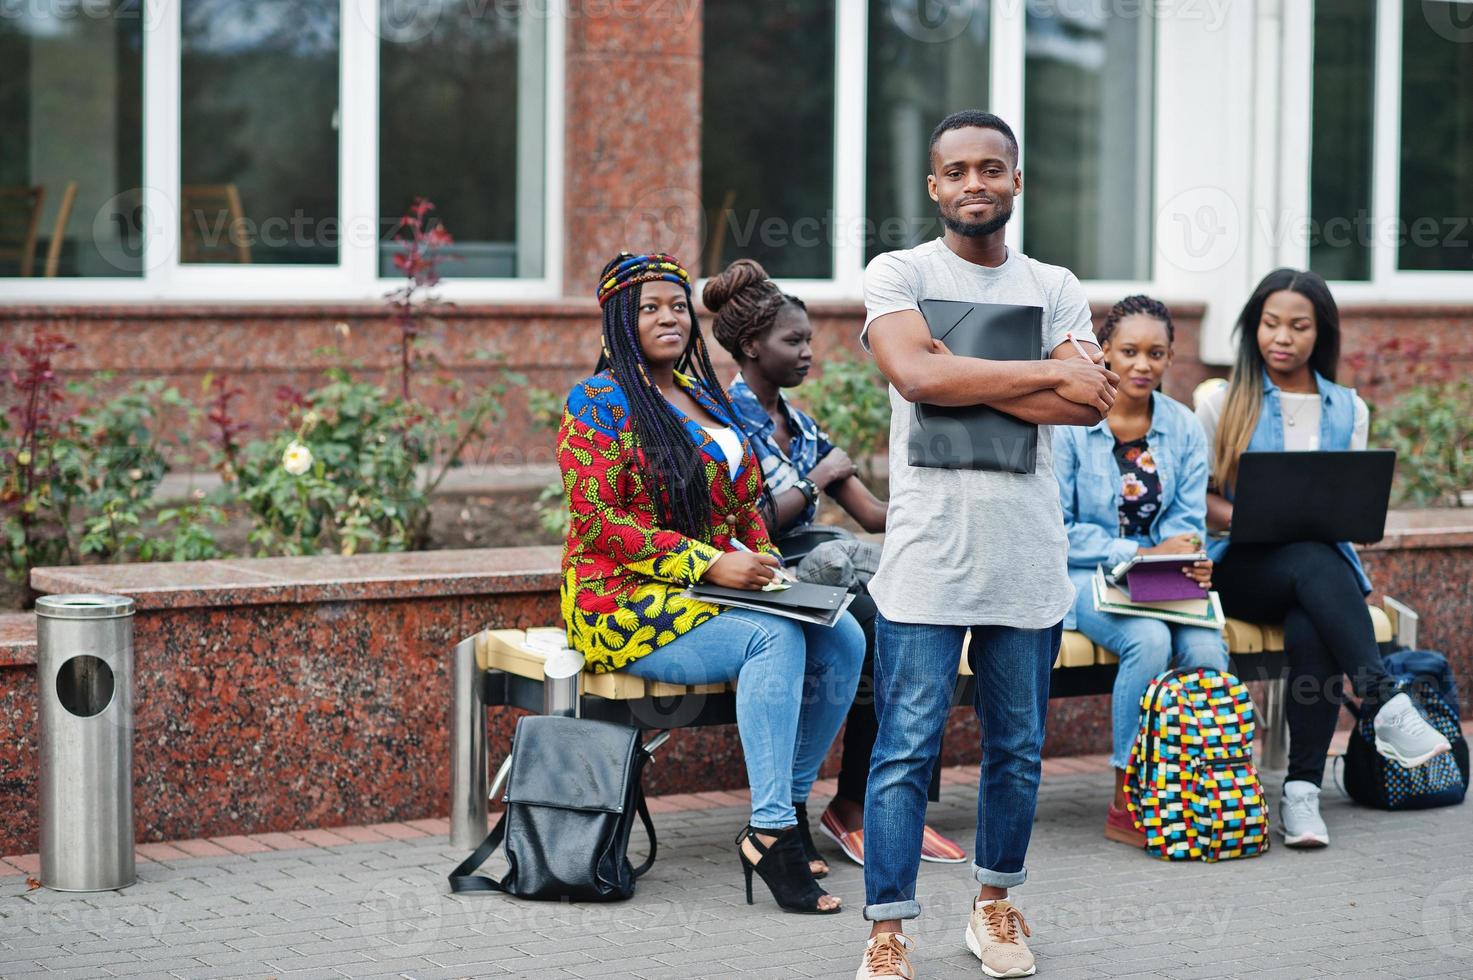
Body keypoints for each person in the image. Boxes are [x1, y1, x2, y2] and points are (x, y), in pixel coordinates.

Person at [855, 110, 1119, 980]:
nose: (975, 183)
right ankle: (887, 931)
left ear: (1015, 181)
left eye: (991, 169)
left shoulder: (1053, 283)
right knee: (904, 749)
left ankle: (995, 907)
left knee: (1016, 748)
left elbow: (1091, 406)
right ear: (933, 186)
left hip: (1025, 559)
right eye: (956, 170)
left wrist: (958, 374)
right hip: (928, 559)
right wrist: (1047, 368)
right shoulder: (899, 273)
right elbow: (916, 375)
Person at [557, 251, 865, 913]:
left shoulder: (702, 397)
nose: (669, 317)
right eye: (650, 308)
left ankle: (784, 807)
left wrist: (760, 561)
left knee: (841, 639)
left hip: (710, 589)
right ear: (618, 320)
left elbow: (738, 507)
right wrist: (705, 563)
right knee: (772, 640)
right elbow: (598, 518)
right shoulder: (597, 401)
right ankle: (774, 831)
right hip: (622, 600)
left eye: (676, 305)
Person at [704, 258, 968, 874]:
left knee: (908, 615)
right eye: (792, 341)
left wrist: (937, 480)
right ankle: (847, 805)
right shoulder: (721, 420)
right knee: (877, 618)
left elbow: (874, 516)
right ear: (750, 345)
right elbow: (753, 525)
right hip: (761, 571)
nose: (806, 354)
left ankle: (879, 802)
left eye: (808, 342)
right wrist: (818, 477)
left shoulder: (800, 426)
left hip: (818, 567)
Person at [1197, 267, 1451, 849]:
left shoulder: (1348, 409)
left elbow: (1347, 494)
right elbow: (1201, 495)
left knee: (1313, 612)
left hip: (1316, 575)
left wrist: (1356, 517)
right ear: (1253, 327)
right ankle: (1385, 703)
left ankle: (1301, 794)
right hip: (1243, 567)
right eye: (1270, 323)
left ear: (1322, 334)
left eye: (1299, 326)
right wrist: (1246, 515)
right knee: (1312, 561)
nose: (1281, 337)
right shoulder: (1221, 401)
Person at [1052, 295, 1229, 848]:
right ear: (1103, 353)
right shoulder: (1072, 425)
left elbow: (1187, 520)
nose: (1142, 365)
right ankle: (1128, 791)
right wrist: (1138, 553)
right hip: (1082, 574)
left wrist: (1178, 553)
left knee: (1205, 646)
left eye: (1155, 353)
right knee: (1148, 640)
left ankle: (1206, 784)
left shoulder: (1181, 427)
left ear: (1172, 356)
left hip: (1161, 574)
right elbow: (1058, 527)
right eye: (1128, 352)